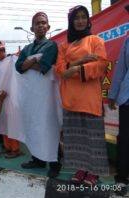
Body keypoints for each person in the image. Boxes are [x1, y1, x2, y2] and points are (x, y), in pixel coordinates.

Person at [54, 5, 109, 185]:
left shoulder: (96, 40)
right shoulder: (64, 46)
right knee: (75, 137)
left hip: (90, 98)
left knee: (93, 137)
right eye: (76, 18)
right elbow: (59, 71)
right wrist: (81, 61)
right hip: (70, 98)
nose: (80, 21)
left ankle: (94, 172)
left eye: (83, 17)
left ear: (88, 20)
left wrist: (73, 69)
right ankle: (80, 168)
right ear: (71, 21)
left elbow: (100, 65)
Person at [15, 12, 62, 178]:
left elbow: (45, 66)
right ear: (32, 28)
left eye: (44, 23)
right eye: (37, 23)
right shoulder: (27, 48)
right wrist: (34, 60)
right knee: (33, 125)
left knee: (49, 126)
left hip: (46, 94)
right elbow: (18, 67)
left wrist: (32, 62)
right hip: (30, 94)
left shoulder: (51, 45)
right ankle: (38, 159)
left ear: (48, 27)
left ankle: (55, 162)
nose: (41, 25)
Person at [108, 4, 129, 196]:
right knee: (124, 139)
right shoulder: (127, 41)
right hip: (127, 99)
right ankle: (121, 178)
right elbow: (121, 70)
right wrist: (113, 95)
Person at [0, 40, 21, 158]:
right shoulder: (0, 64)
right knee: (4, 123)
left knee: (11, 124)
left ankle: (15, 149)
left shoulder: (12, 60)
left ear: (2, 50)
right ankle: (8, 147)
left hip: (11, 98)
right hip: (1, 98)